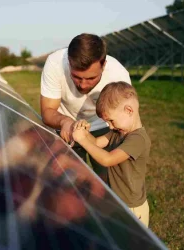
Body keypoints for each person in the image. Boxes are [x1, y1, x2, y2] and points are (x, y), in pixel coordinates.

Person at [40, 33, 131, 182]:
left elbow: (125, 123)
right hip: (66, 130)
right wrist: (65, 122)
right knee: (69, 184)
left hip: (105, 128)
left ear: (104, 65)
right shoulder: (55, 63)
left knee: (109, 182)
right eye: (76, 77)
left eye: (90, 78)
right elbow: (47, 111)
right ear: (69, 63)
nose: (83, 85)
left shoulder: (118, 76)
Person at [72, 81, 151, 227]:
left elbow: (108, 159)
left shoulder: (137, 139)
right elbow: (96, 143)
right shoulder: (117, 132)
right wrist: (84, 131)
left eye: (111, 120)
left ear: (128, 110)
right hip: (119, 200)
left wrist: (82, 140)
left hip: (132, 206)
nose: (109, 126)